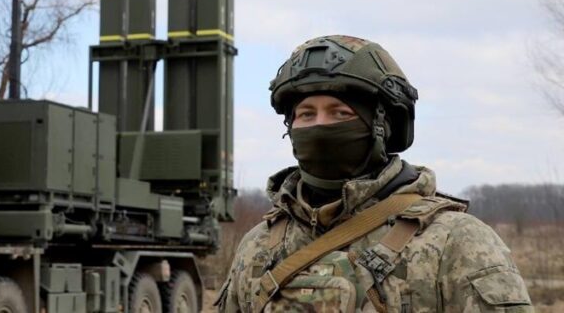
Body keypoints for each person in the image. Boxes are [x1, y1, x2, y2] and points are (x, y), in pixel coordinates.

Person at [217, 35, 533, 312]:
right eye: (306, 114)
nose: (320, 126)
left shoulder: (457, 241)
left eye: (340, 113)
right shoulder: (258, 246)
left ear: (381, 126)